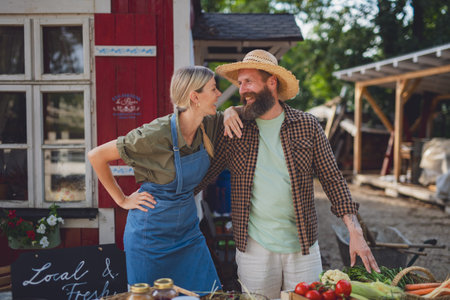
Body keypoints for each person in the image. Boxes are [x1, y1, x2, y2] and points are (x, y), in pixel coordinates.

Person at [195, 49, 380, 299]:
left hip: (303, 247)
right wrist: (164, 196)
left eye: (248, 81)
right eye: (240, 83)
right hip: (253, 249)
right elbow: (205, 175)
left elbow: (332, 177)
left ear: (271, 82)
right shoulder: (235, 128)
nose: (242, 89)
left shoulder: (307, 125)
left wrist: (355, 231)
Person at [88, 66, 240, 293]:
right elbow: (96, 155)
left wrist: (230, 111)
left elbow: (238, 112)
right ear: (194, 97)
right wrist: (122, 200)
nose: (219, 94)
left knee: (208, 293)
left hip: (188, 235)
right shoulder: (156, 134)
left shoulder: (208, 124)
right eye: (213, 89)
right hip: (150, 239)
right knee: (150, 297)